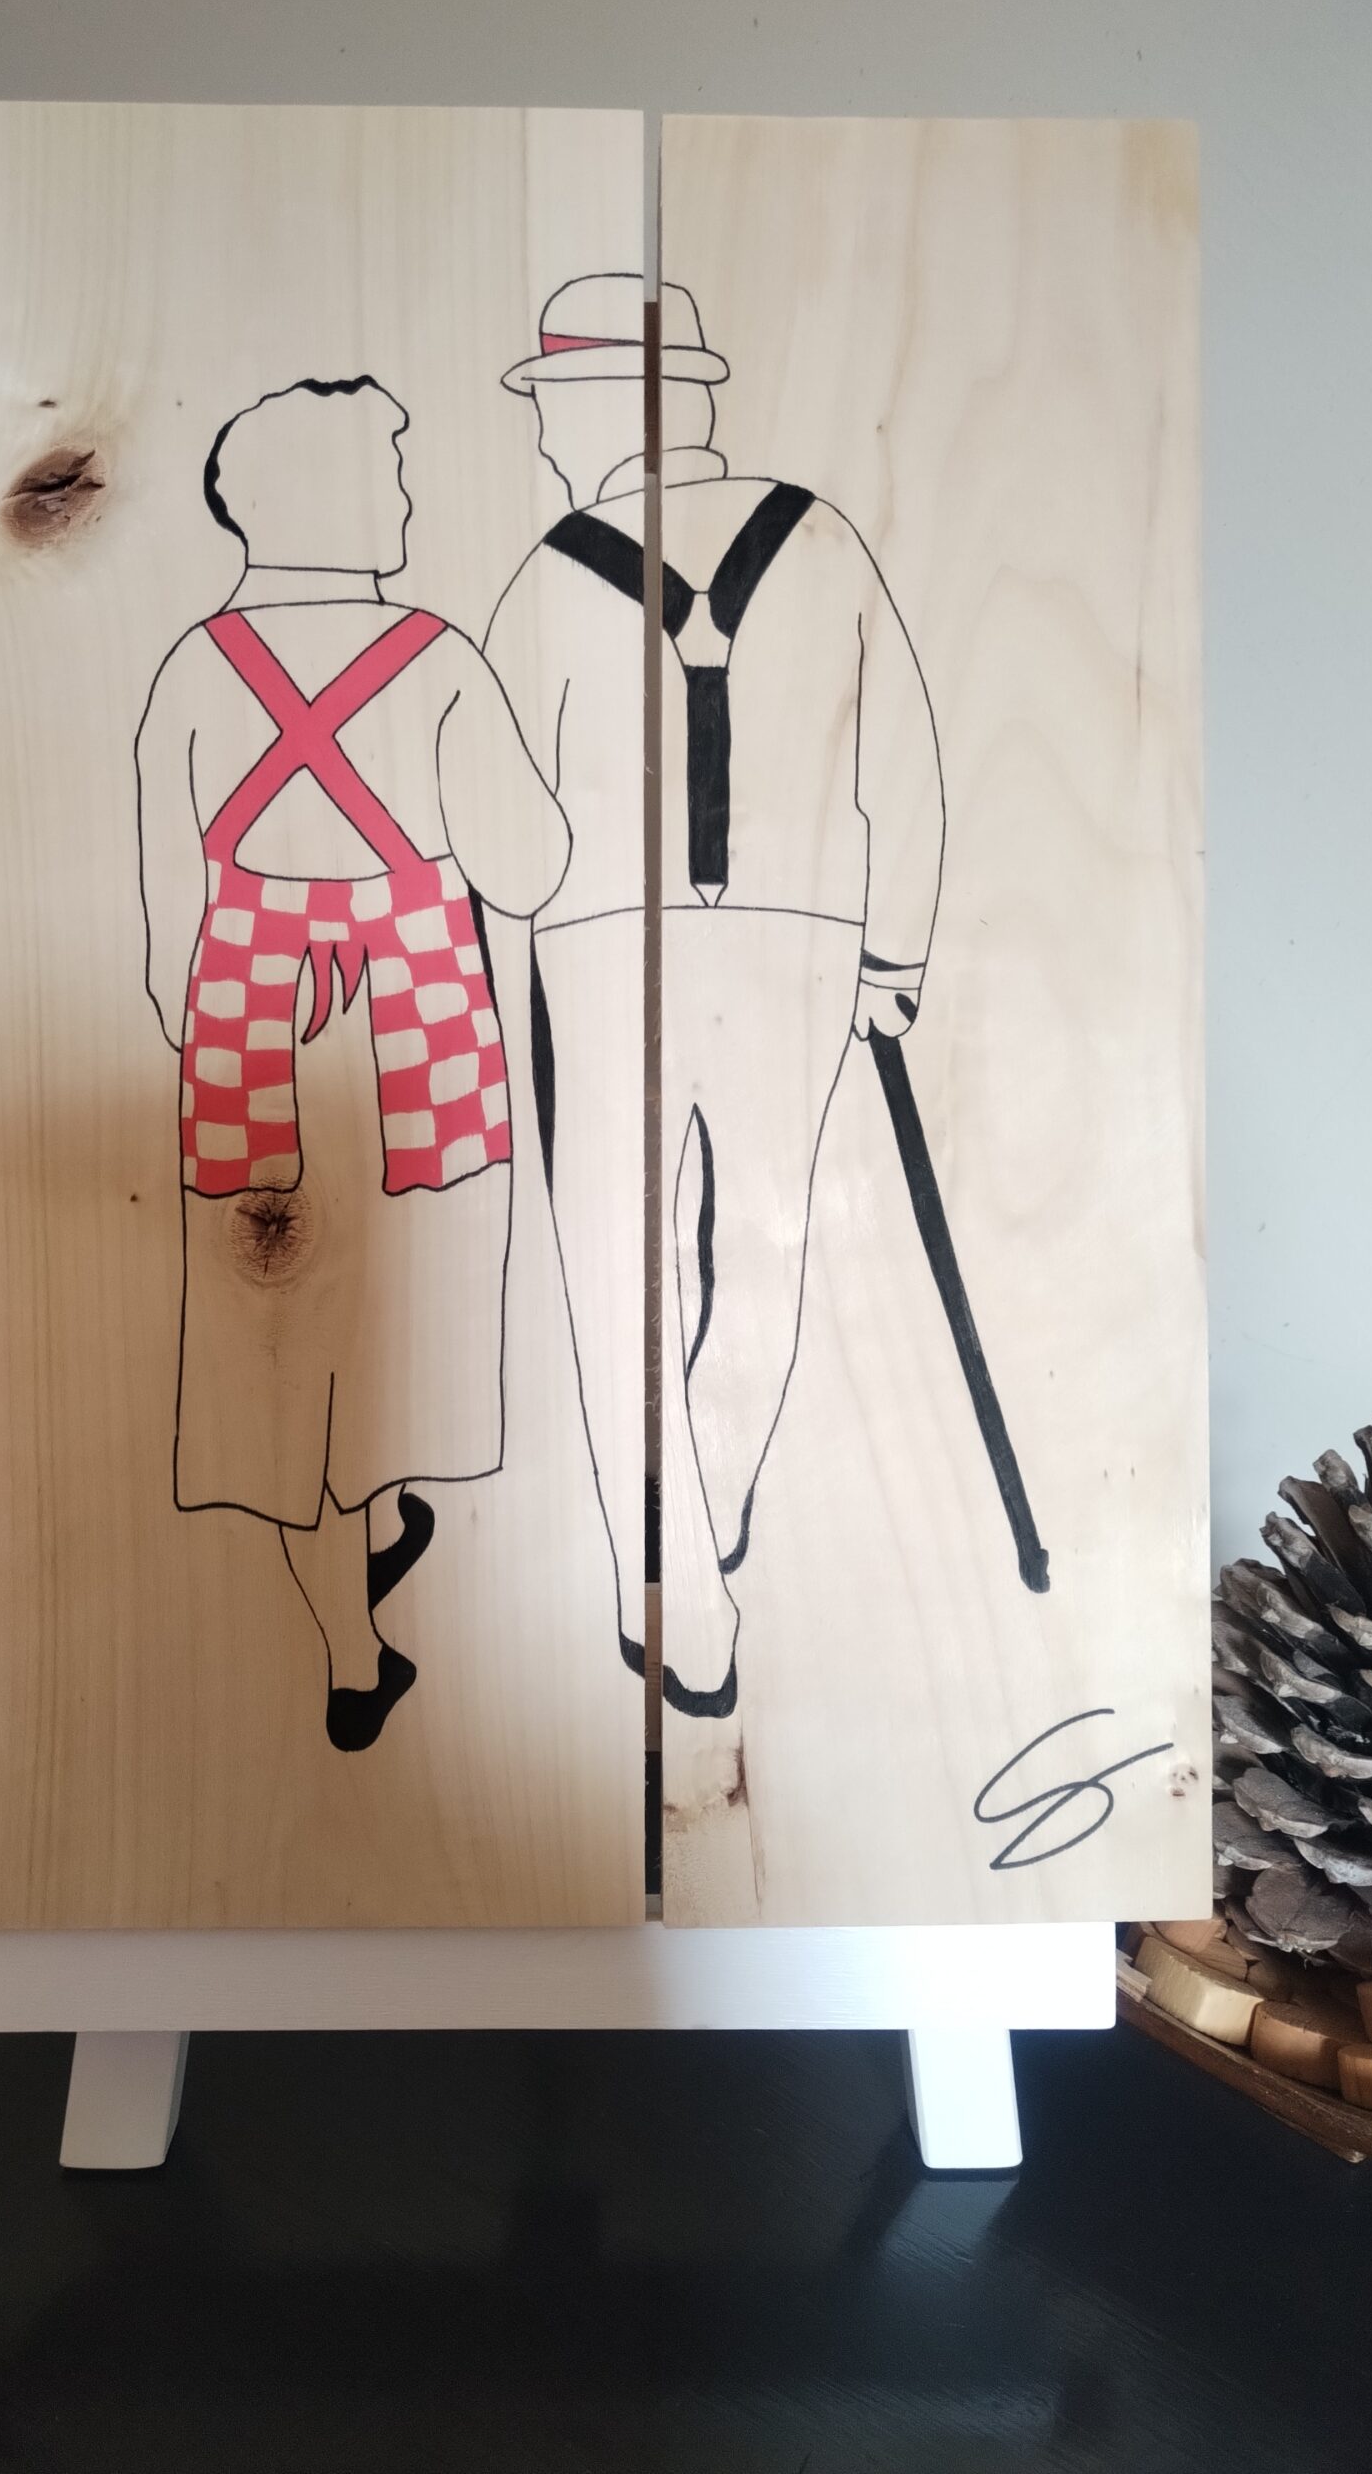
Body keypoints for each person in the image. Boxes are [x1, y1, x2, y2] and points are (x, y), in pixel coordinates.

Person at [487, 276, 946, 1718]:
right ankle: (718, 1493)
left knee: (614, 1271)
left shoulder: (542, 575)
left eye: (553, 407)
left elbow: (510, 835)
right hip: (801, 941)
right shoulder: (826, 540)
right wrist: (895, 955)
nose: (545, 438)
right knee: (764, 1237)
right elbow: (904, 761)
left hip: (600, 946)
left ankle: (681, 1594)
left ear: (597, 410)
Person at [136, 376, 568, 1751]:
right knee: (395, 1312)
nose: (406, 498)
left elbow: (162, 935)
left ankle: (366, 1547)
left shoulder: (195, 668)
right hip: (419, 1026)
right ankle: (353, 1652)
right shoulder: (438, 660)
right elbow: (532, 869)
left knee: (284, 1331)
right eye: (388, 472)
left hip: (246, 1032)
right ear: (327, 497)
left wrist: (240, 1008)